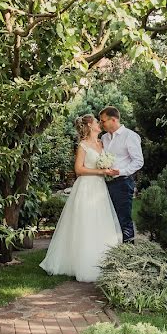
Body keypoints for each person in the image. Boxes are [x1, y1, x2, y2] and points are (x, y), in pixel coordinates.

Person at [39, 114, 122, 282]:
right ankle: (82, 263)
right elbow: (79, 170)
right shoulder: (83, 145)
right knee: (86, 222)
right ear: (90, 126)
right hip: (86, 187)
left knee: (100, 221)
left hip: (100, 187)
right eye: (97, 122)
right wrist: (101, 171)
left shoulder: (102, 143)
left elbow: (105, 163)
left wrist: (109, 169)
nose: (100, 124)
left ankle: (102, 260)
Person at [99, 106, 143, 243]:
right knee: (108, 218)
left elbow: (138, 161)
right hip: (105, 183)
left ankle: (128, 253)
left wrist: (121, 171)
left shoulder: (130, 136)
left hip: (122, 183)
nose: (101, 124)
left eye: (103, 121)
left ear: (113, 119)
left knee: (123, 218)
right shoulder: (104, 138)